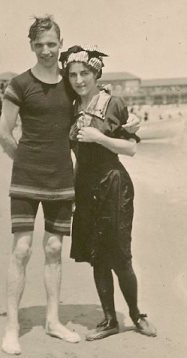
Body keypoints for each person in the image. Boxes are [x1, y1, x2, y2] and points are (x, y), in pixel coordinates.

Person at [59, 45, 157, 341]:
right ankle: (109, 319)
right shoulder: (70, 107)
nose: (79, 80)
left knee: (119, 255)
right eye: (73, 74)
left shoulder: (112, 103)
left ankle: (137, 314)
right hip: (85, 186)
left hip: (113, 183)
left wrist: (99, 137)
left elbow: (131, 147)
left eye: (84, 73)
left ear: (95, 73)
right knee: (96, 254)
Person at [0, 16, 80, 355]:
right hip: (27, 178)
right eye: (39, 45)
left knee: (54, 249)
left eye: (51, 44)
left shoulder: (71, 85)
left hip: (62, 178)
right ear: (31, 47)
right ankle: (12, 327)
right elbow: (4, 132)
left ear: (61, 44)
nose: (46, 50)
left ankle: (53, 320)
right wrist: (25, 161)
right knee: (22, 249)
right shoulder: (19, 84)